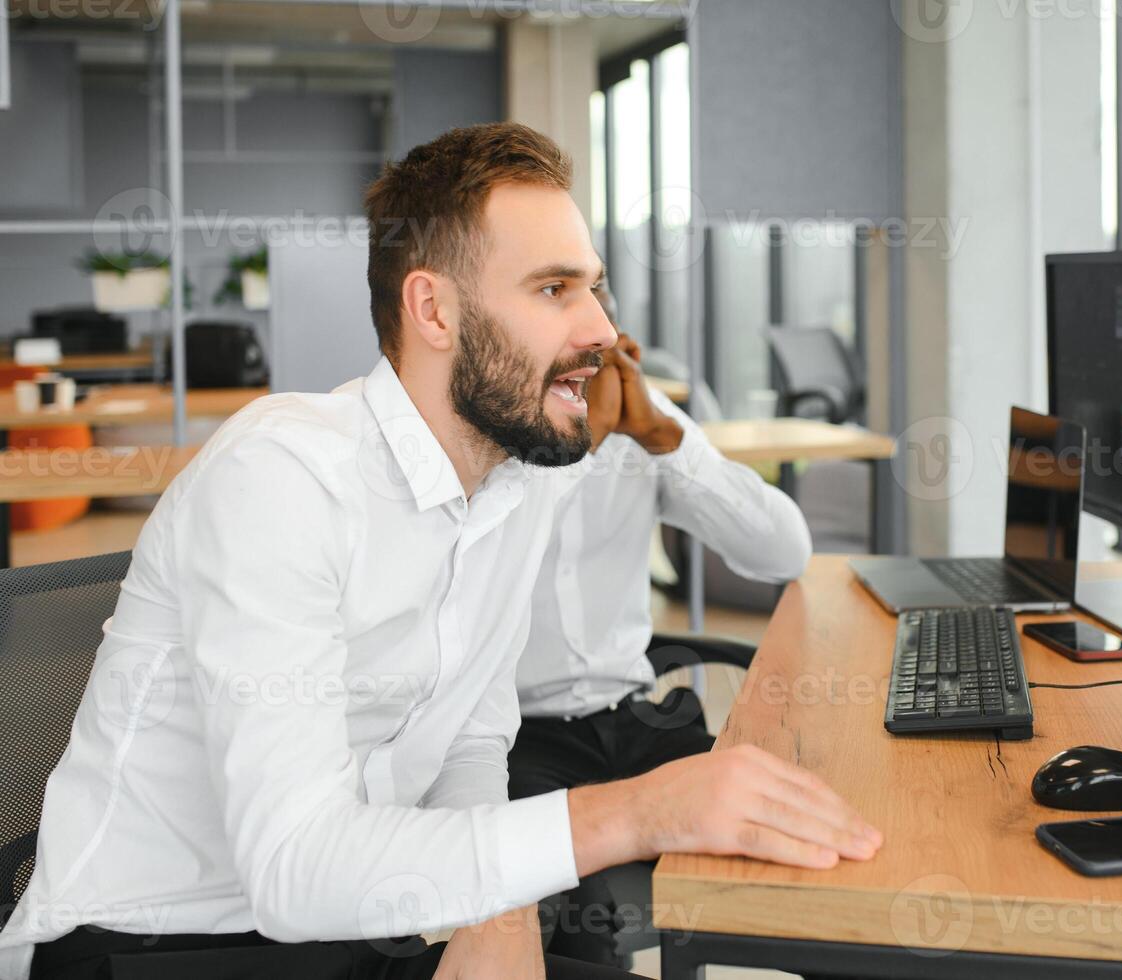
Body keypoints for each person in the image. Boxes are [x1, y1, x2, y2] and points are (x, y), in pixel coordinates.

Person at [0, 123, 880, 980]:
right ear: (433, 309)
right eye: (553, 290)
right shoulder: (282, 474)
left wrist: (498, 913)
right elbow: (292, 869)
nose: (602, 330)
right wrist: (640, 813)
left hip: (351, 926)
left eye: (595, 289)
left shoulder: (514, 475)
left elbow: (471, 734)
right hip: (157, 943)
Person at [511, 287, 813, 964]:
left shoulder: (645, 421)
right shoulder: (486, 434)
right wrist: (579, 448)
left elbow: (784, 552)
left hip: (633, 719)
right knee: (578, 907)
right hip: (514, 741)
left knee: (801, 831)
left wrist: (663, 437)